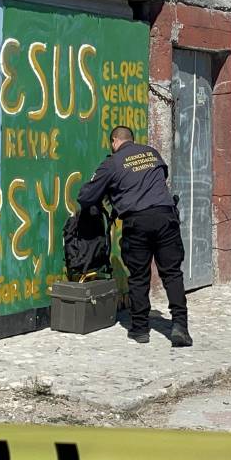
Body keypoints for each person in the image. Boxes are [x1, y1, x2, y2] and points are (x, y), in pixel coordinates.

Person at [77, 126, 192, 348]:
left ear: (114, 142)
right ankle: (180, 326)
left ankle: (140, 329)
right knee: (172, 274)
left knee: (139, 276)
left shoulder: (112, 162)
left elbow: (86, 196)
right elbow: (161, 178)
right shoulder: (152, 153)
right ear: (132, 140)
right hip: (165, 217)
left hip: (137, 221)